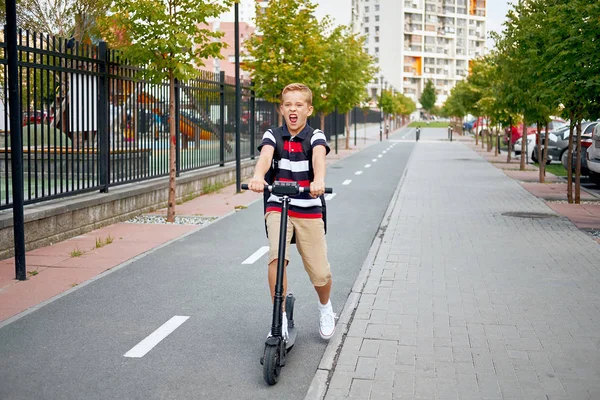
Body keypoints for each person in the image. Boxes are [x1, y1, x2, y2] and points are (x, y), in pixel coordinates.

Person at [248, 83, 336, 340]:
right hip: (279, 204)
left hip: (308, 207)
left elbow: (319, 158)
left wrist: (318, 180)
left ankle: (325, 307)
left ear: (308, 109)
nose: (293, 109)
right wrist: (257, 176)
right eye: (288, 104)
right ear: (281, 109)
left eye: (299, 104)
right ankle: (280, 317)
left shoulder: (315, 136)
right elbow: (265, 157)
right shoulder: (273, 135)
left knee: (320, 273)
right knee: (276, 257)